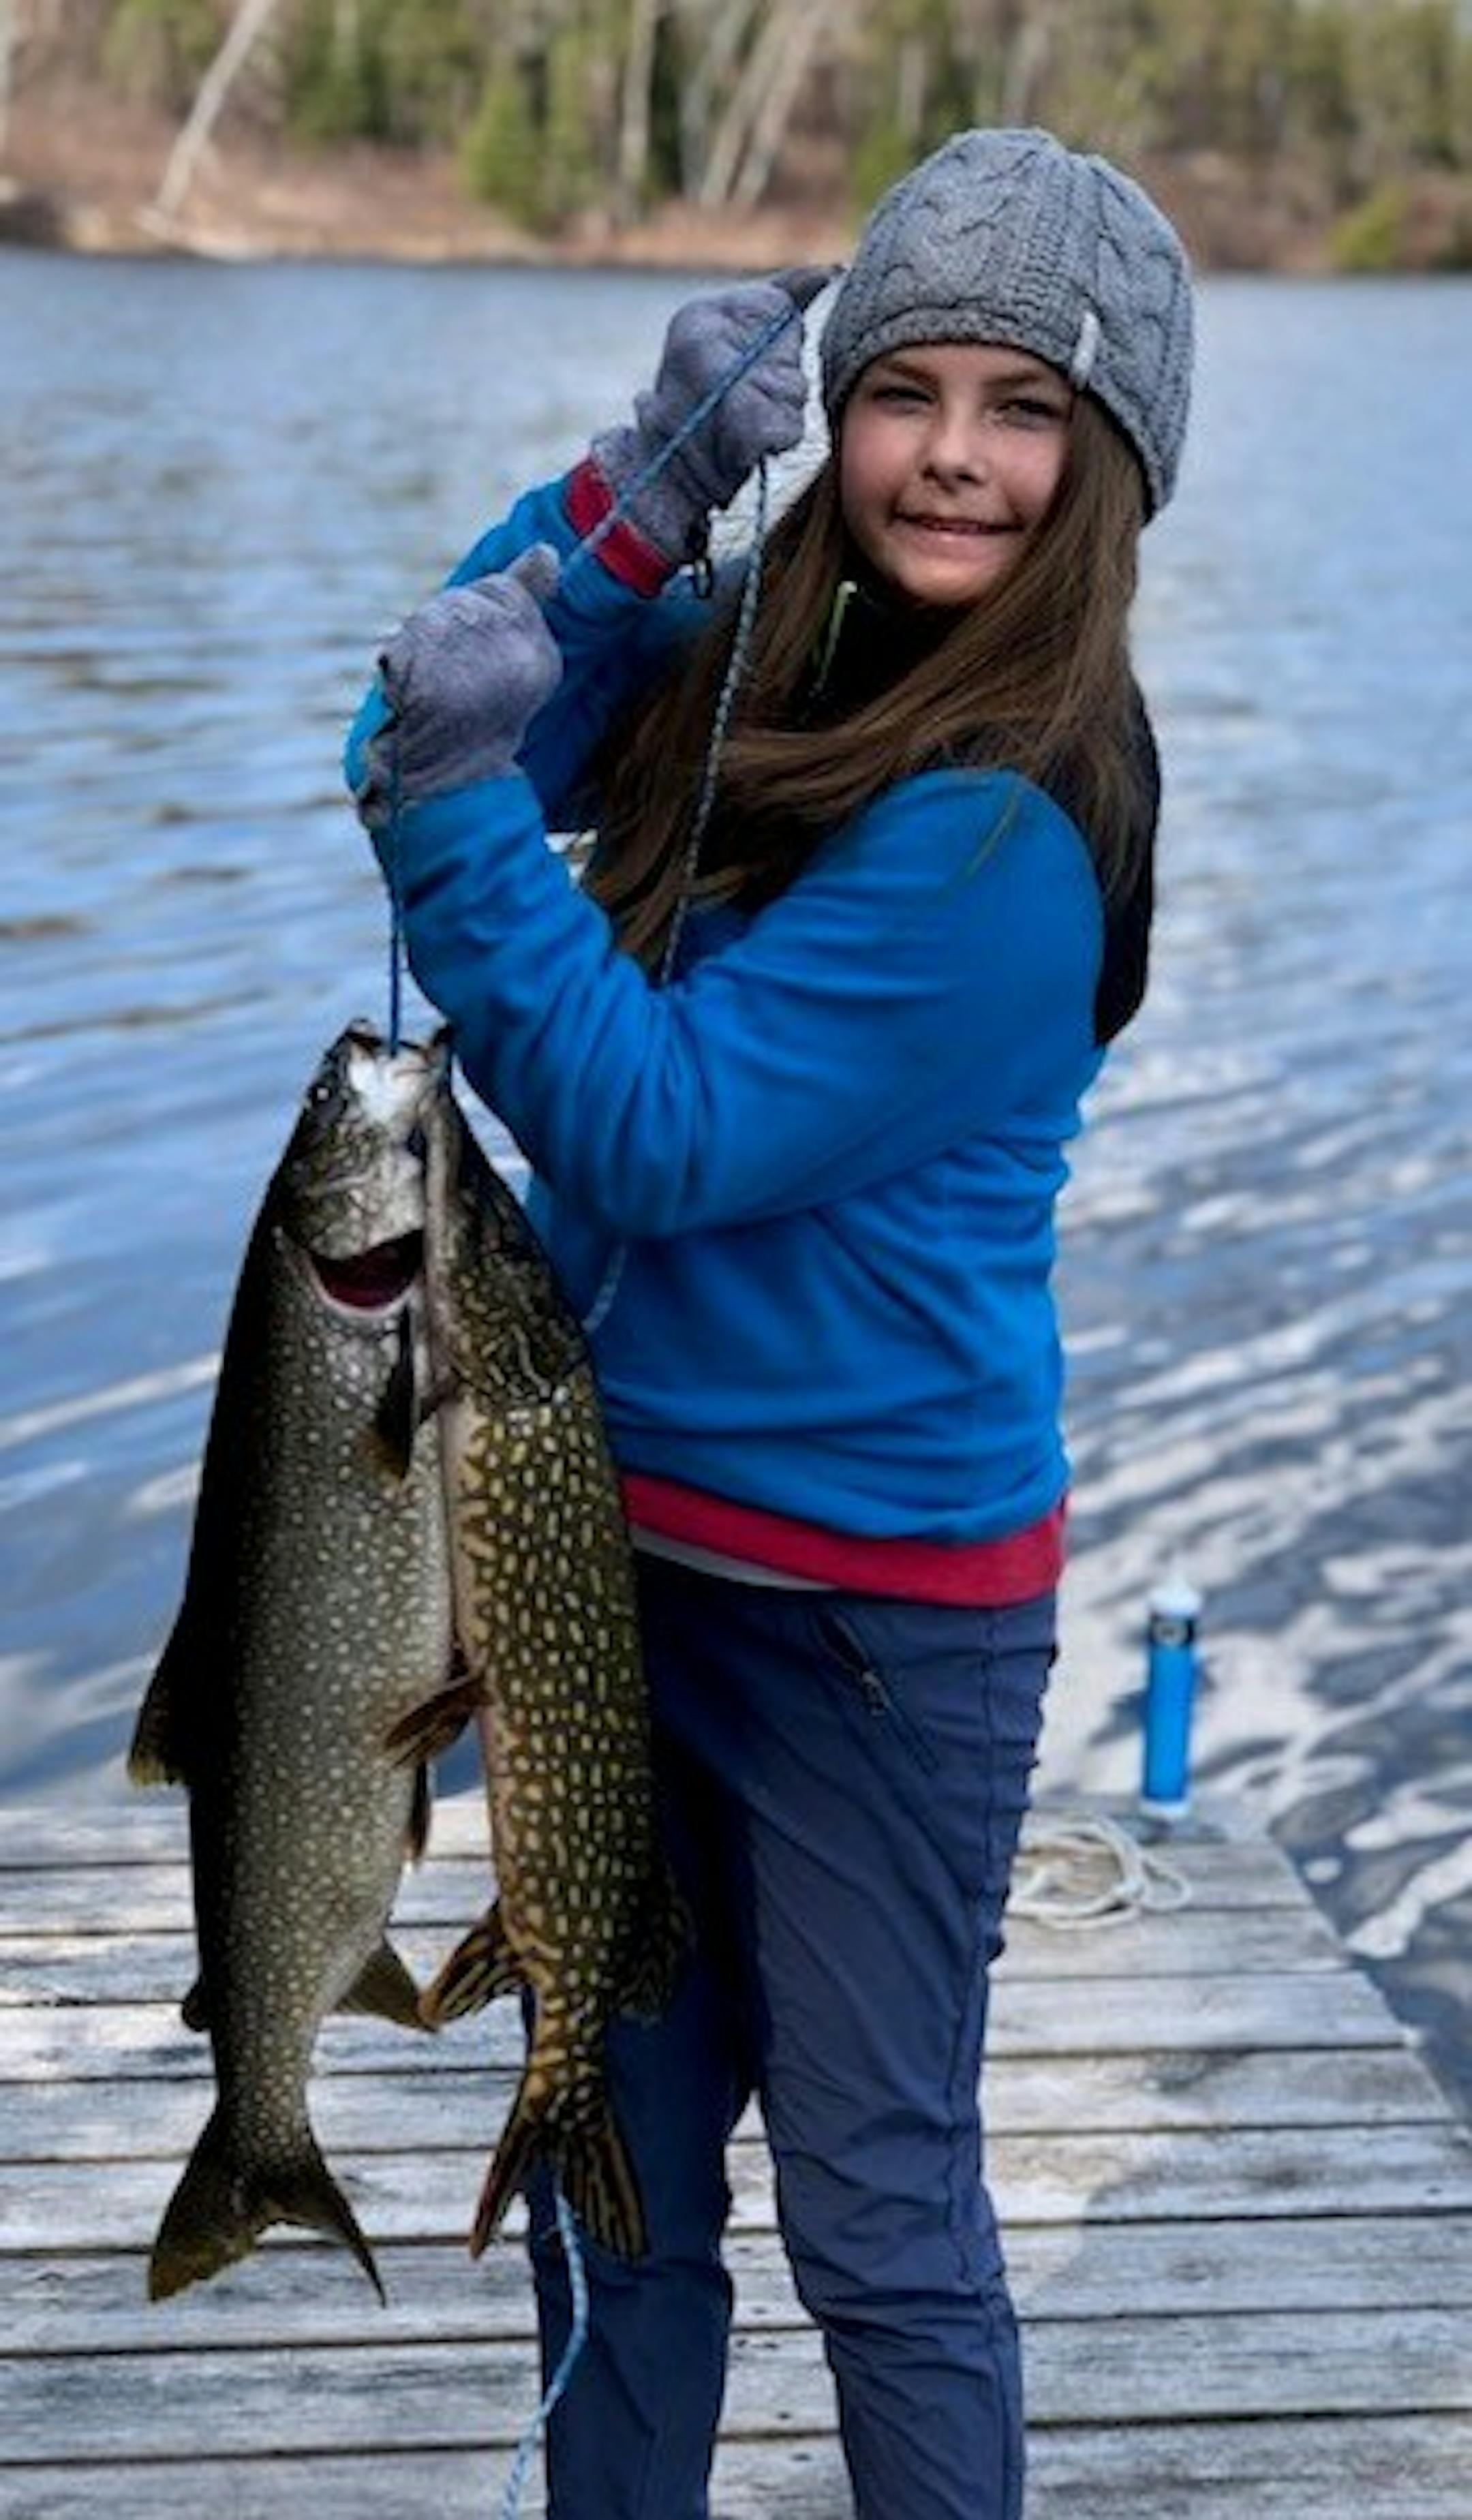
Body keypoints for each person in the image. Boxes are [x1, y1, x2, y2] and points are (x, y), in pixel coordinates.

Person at [347, 123, 1194, 2520]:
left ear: (1111, 460)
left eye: (1024, 408)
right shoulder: (772, 662)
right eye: (904, 386)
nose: (951, 452)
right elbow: (421, 713)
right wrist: (631, 503)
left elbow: (662, 1134)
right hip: (613, 1568)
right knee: (614, 2186)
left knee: (879, 2214)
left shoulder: (1018, 824)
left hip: (867, 1635)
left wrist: (447, 811)